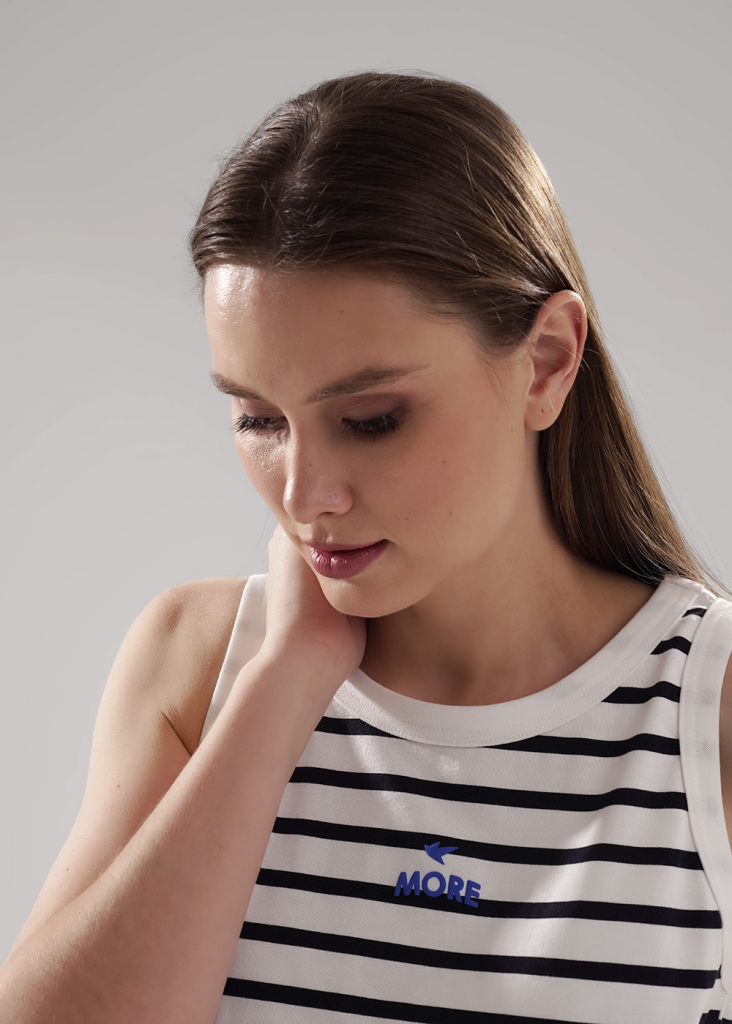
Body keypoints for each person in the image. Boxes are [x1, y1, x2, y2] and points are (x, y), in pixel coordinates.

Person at [1, 71, 732, 1024]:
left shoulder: (707, 710)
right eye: (258, 419)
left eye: (372, 419)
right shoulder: (197, 666)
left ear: (547, 362)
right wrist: (282, 684)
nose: (305, 497)